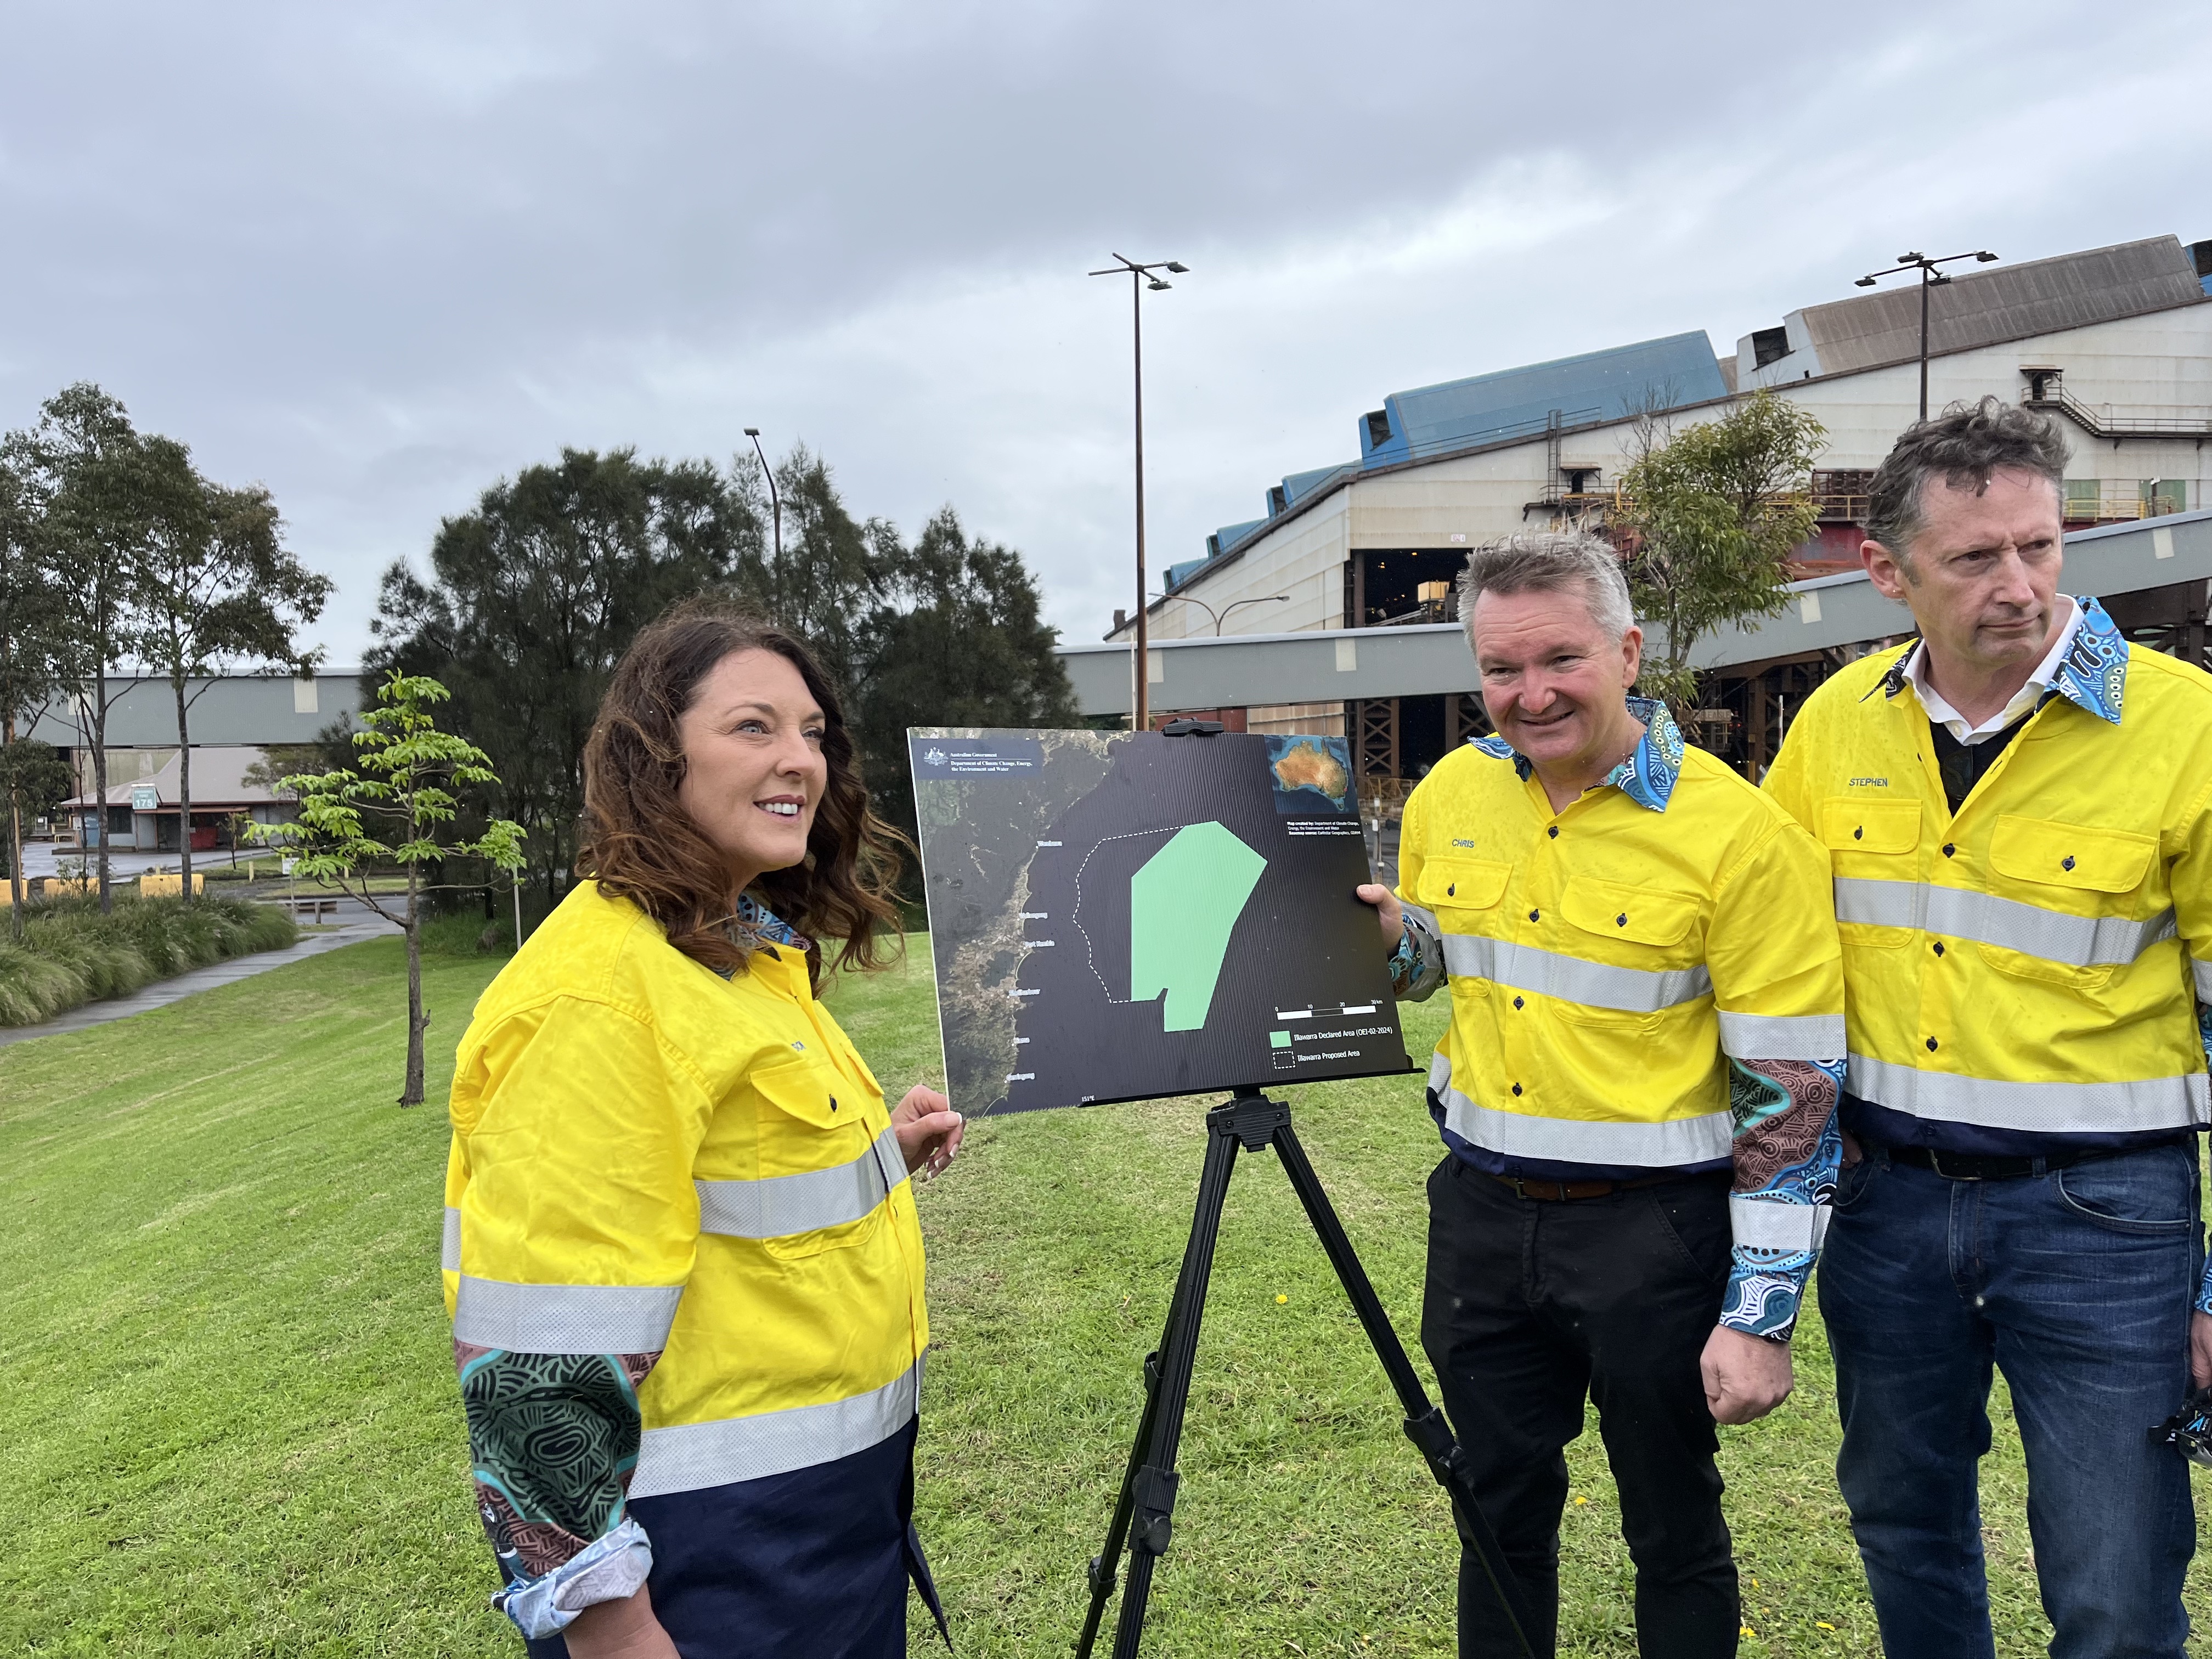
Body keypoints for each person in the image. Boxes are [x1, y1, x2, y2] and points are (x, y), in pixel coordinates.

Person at [1761, 399, 2212, 1657]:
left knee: (2116, 1580)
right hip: (1887, 1209)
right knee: (1903, 1525)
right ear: (1887, 572)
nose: (2020, 586)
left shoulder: (2189, 730)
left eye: (2042, 547)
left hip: (2106, 1223)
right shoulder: (1833, 728)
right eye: (1974, 559)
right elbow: (1767, 962)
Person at [438, 601, 964, 1658]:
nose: (800, 762)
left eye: (813, 734)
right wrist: (614, 1629)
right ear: (651, 756)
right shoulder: (603, 997)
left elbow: (732, 1195)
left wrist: (876, 1153)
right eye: (753, 727)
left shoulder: (731, 953)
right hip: (706, 1568)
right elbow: (542, 1355)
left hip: (832, 1530)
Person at [1358, 531, 1846, 1659]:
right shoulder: (1450, 794)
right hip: (1480, 1218)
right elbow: (1436, 968)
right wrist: (1391, 941)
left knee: (1672, 1531)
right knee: (1496, 1515)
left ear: (1629, 652)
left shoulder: (1740, 835)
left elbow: (1795, 1092)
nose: (1529, 696)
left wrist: (1760, 1311)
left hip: (1654, 1237)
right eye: (1499, 671)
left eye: (1561, 660)